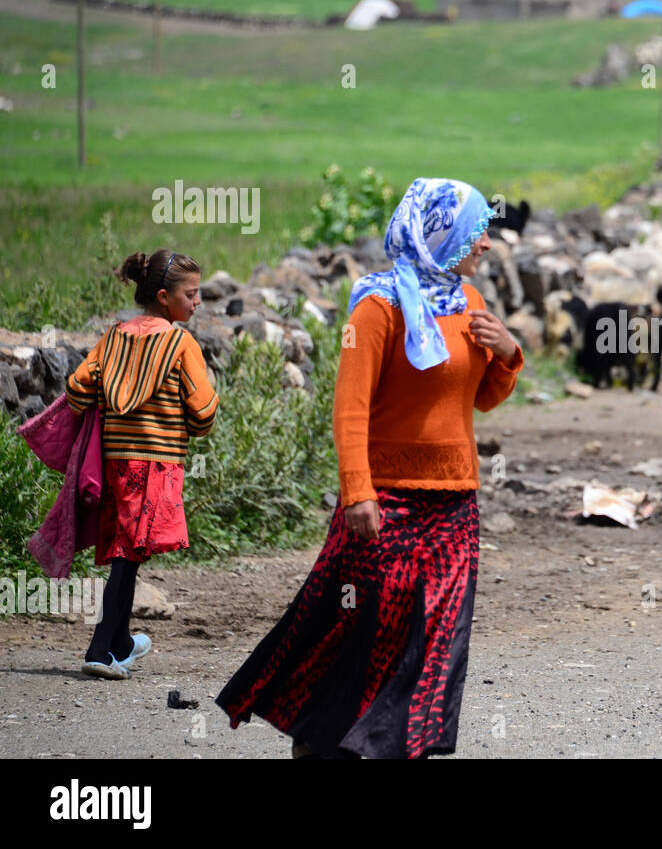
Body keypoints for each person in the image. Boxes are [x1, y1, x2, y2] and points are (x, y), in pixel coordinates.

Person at [217, 178, 524, 759]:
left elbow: (478, 399)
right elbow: (349, 407)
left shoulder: (470, 304)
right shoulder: (378, 304)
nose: (486, 244)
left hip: (455, 499)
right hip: (384, 500)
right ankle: (322, 738)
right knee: (363, 627)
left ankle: (398, 744)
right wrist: (358, 491)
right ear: (443, 231)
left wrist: (508, 354)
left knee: (438, 634)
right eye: (477, 230)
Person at [65, 250, 218, 679]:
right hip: (157, 463)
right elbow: (204, 415)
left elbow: (77, 391)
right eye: (192, 294)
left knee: (125, 551)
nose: (198, 302)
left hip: (115, 461)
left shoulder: (114, 336)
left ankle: (121, 643)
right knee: (128, 556)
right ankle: (97, 651)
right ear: (165, 297)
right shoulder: (180, 343)